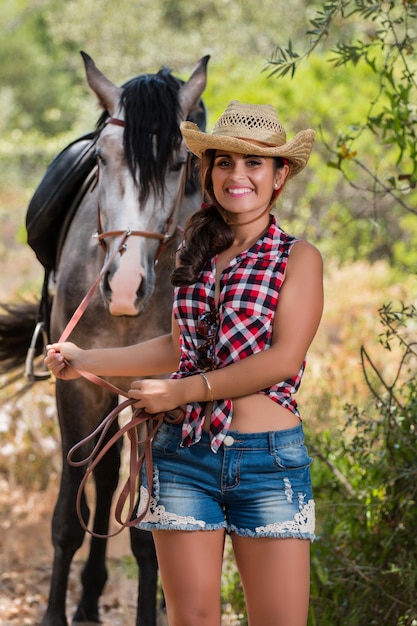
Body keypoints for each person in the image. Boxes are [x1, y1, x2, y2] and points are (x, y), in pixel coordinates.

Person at [45, 100, 323, 626]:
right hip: (182, 459)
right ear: (208, 172)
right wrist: (86, 355)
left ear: (279, 174)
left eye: (254, 163)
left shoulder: (299, 258)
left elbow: (283, 360)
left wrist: (181, 392)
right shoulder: (190, 255)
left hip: (267, 462)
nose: (236, 175)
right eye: (223, 162)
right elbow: (178, 348)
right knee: (189, 620)